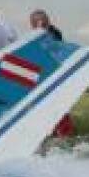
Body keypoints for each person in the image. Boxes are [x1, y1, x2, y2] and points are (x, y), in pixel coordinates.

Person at [29, 9, 73, 137]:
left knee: (58, 111)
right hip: (45, 80)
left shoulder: (50, 35)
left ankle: (62, 136)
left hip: (52, 80)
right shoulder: (43, 35)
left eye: (34, 23)